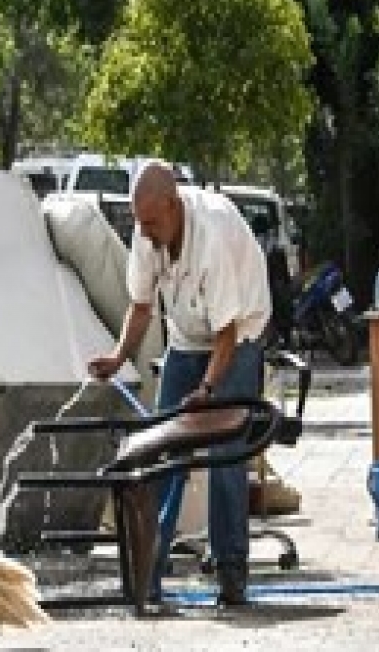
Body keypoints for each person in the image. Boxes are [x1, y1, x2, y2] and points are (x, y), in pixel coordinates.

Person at [88, 162, 271, 605]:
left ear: (172, 206)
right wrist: (118, 356)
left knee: (225, 451)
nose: (145, 231)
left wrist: (207, 391)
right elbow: (141, 305)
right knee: (159, 451)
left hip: (239, 334)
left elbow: (226, 335)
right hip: (188, 338)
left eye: (151, 222)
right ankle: (148, 575)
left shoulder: (211, 237)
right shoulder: (148, 231)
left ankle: (231, 573)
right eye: (140, 222)